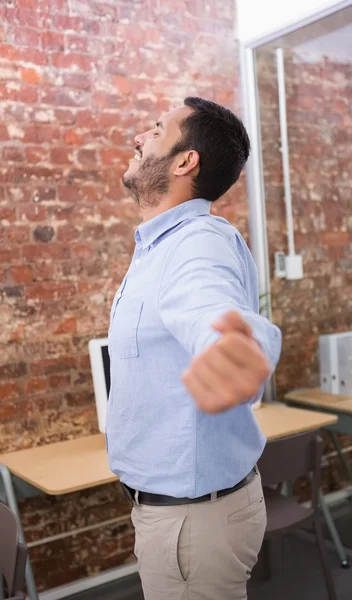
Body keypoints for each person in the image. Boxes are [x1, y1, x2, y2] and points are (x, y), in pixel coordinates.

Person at [106, 97, 282, 600]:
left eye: (157, 130)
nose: (139, 137)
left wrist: (235, 347)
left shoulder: (195, 242)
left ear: (186, 161)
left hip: (191, 522)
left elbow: (209, 305)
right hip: (181, 516)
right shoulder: (160, 246)